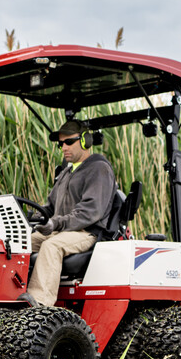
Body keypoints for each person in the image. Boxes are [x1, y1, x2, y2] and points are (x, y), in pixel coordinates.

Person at [27, 120, 117, 306]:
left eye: (69, 142)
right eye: (61, 144)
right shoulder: (66, 173)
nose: (63, 148)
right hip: (62, 230)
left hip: (86, 232)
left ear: (85, 141)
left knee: (51, 246)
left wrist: (56, 223)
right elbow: (50, 209)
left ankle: (39, 304)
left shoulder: (98, 169)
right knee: (19, 243)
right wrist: (30, 218)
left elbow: (89, 212)